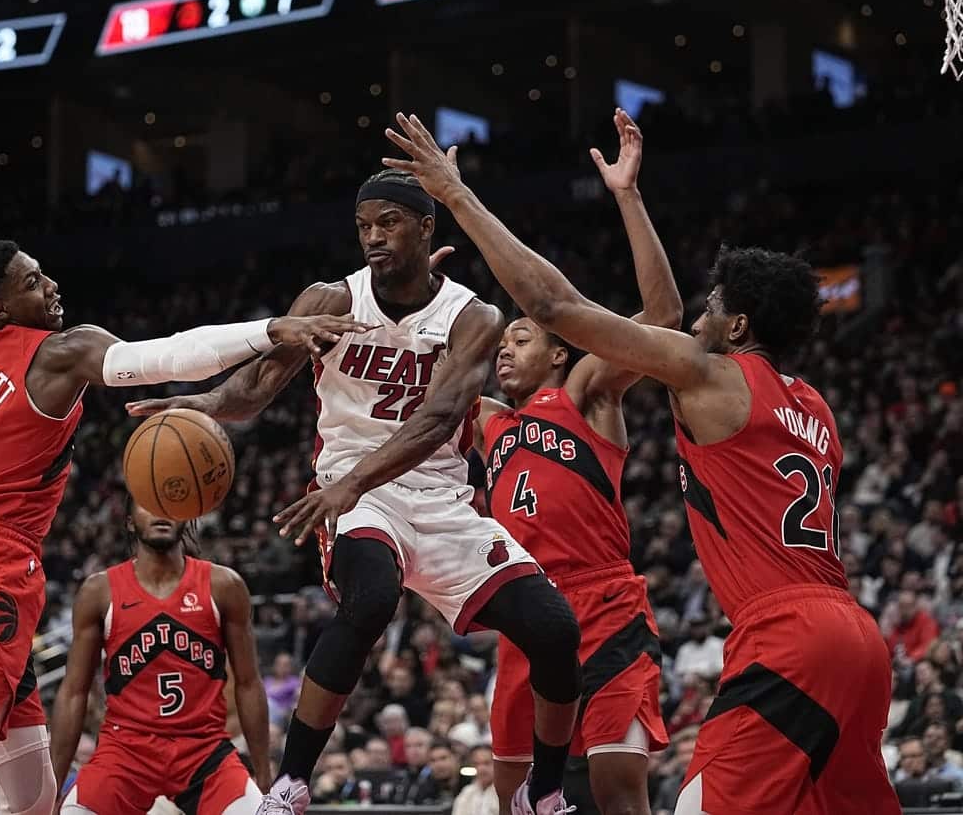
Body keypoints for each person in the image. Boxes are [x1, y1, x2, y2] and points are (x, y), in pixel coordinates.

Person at [382, 110, 901, 815]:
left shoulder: (698, 376)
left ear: (739, 327)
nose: (695, 325)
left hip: (776, 634)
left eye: (710, 312)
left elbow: (556, 301)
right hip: (856, 638)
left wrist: (456, 196)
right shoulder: (814, 408)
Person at [0, 105, 369, 815]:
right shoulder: (59, 351)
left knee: (33, 790)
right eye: (32, 281)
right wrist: (270, 330)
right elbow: (159, 357)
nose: (50, 286)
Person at [130, 168, 584, 815]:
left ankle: (543, 794)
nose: (373, 236)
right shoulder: (329, 301)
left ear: (426, 228)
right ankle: (289, 786)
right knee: (372, 595)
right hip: (361, 498)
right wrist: (206, 403)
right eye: (364, 225)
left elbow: (436, 421)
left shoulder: (473, 316)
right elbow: (257, 387)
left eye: (389, 223)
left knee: (556, 630)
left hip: (439, 499)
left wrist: (348, 484)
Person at [475, 110, 673, 815]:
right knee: (515, 800)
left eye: (520, 336)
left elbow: (662, 312)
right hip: (524, 611)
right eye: (501, 341)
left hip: (604, 604)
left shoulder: (585, 391)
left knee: (620, 786)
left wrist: (627, 195)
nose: (505, 347)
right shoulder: (488, 422)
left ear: (557, 351)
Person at [49, 496, 269, 814]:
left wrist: (263, 775)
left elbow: (248, 683)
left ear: (187, 518)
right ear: (128, 520)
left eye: (170, 503)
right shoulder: (99, 591)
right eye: (147, 503)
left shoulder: (224, 585)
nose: (160, 512)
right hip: (125, 751)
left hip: (204, 750)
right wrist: (54, 784)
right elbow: (73, 692)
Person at [452, 746, 498, 815]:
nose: (481, 768)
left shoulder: (505, 792)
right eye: (476, 764)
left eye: (487, 763)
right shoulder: (467, 792)